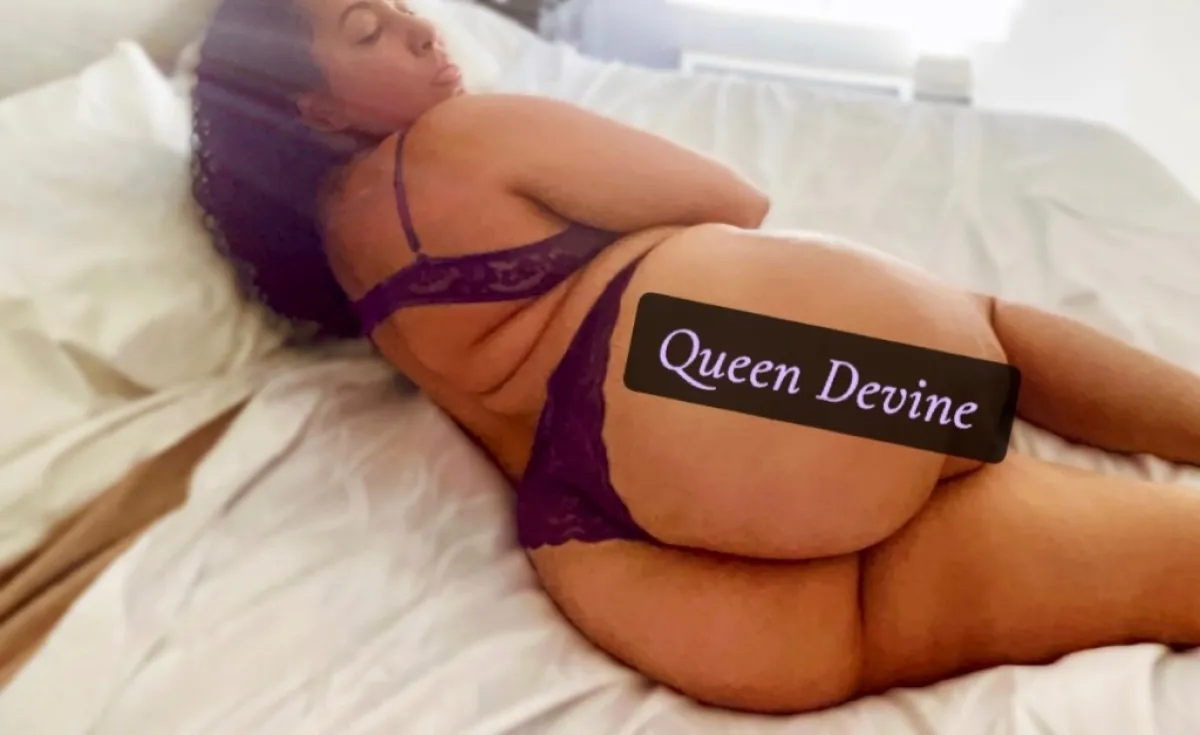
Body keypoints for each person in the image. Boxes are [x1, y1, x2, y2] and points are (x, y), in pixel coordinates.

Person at [192, 0, 1200, 715]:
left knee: (1116, 567)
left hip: (614, 540)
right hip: (732, 371)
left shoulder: (350, 273)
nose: (419, 27)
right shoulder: (461, 135)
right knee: (990, 340)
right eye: (367, 30)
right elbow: (729, 200)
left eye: (401, 5)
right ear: (316, 112)